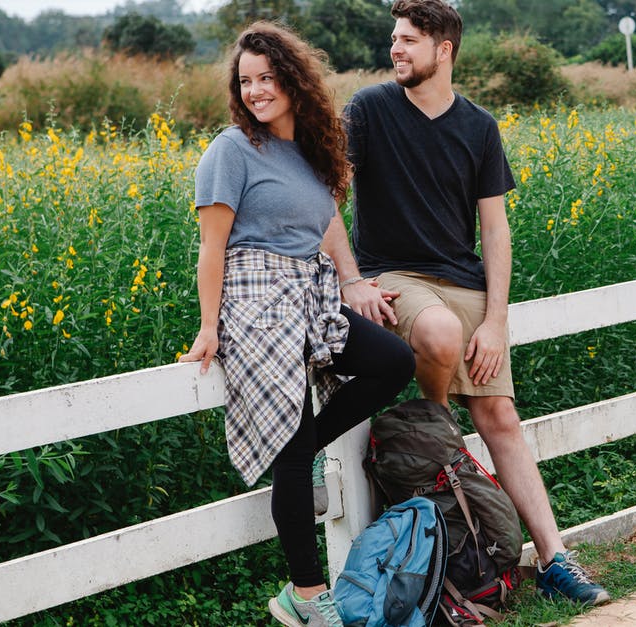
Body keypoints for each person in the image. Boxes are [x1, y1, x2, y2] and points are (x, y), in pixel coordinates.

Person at [326, 0, 611, 607]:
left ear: (443, 49)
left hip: (465, 280)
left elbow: (496, 230)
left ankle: (556, 561)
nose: (395, 50)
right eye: (394, 40)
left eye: (407, 41)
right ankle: (438, 437)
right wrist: (351, 278)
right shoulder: (370, 109)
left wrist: (498, 321)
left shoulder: (479, 126)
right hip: (395, 278)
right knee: (438, 333)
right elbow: (324, 196)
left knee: (502, 416)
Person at [179, 22, 414, 627]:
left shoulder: (314, 148)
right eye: (246, 81)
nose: (256, 91)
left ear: (294, 80)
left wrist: (352, 280)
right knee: (290, 437)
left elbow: (327, 222)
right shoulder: (231, 150)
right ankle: (306, 595)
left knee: (393, 361)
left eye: (268, 78)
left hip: (307, 291)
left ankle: (305, 443)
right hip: (254, 297)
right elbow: (212, 248)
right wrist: (210, 328)